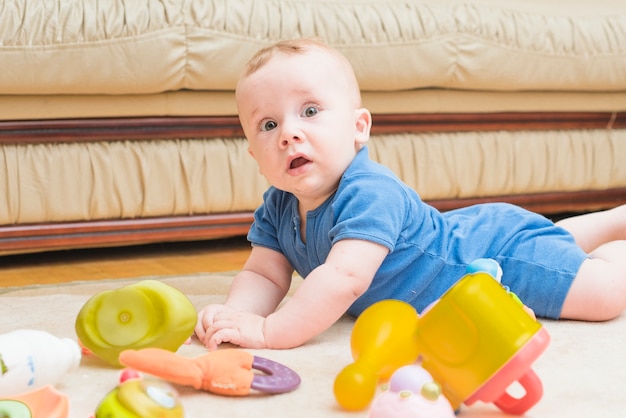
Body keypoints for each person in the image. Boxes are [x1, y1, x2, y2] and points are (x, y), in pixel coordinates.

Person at [195, 37, 626, 350]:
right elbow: (264, 275)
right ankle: (599, 223)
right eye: (268, 125)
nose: (289, 133)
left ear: (358, 127)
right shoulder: (277, 206)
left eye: (309, 111)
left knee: (604, 294)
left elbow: (343, 279)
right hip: (466, 236)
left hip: (491, 258)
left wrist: (270, 332)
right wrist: (240, 315)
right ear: (254, 154)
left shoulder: (369, 193)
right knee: (549, 246)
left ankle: (615, 246)